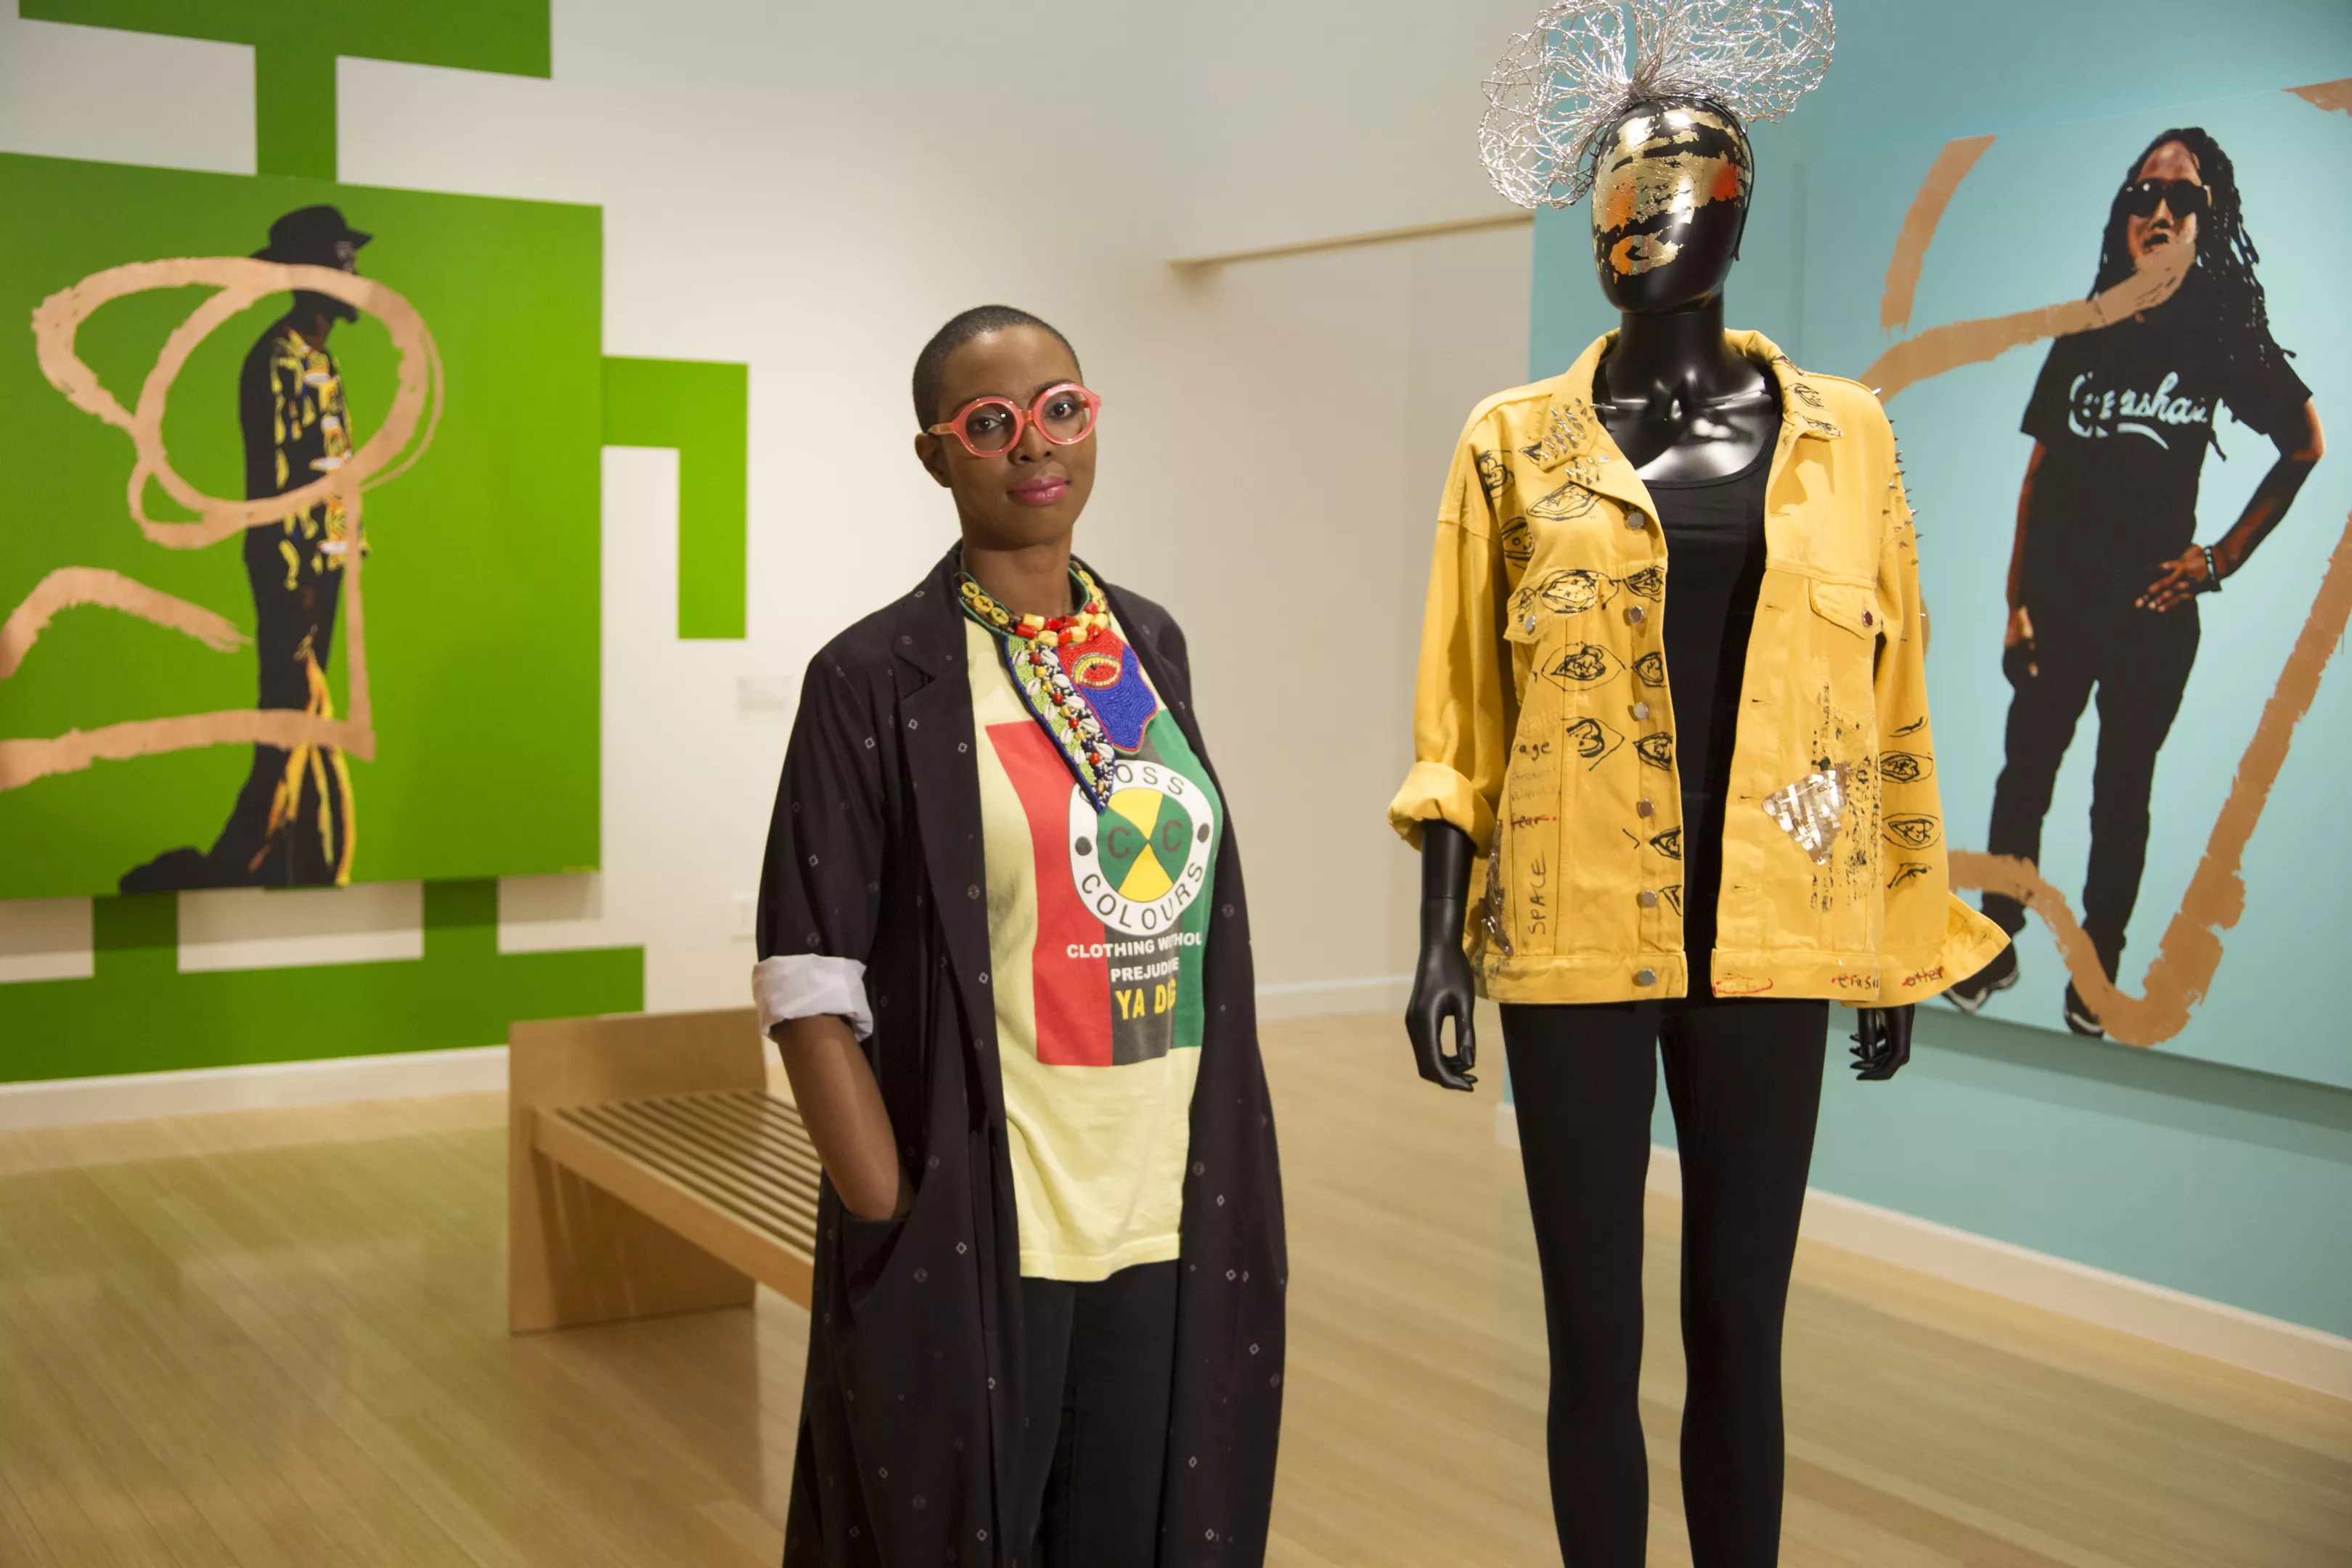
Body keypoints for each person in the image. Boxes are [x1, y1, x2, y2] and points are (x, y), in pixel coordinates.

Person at [1397, 93, 1999, 1567]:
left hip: (1779, 940)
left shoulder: (1847, 436)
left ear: (1736, 212)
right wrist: (1439, 943)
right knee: (1591, 1342)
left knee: (1741, 1330)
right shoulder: (1512, 444)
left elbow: (1895, 698)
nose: (1638, 226)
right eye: (1615, 196)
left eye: (1674, 192)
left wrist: (1900, 935)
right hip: (1571, 932)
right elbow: (1462, 715)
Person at [753, 306, 1284, 1567]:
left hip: (1169, 1192)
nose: (1034, 444)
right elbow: (808, 975)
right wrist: (887, 1207)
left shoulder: (1147, 642)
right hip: (983, 1207)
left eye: (1061, 409)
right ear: (936, 455)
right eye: (990, 423)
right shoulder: (872, 675)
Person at [1948, 127, 2325, 1034]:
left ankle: (2098, 969)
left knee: (2120, 793)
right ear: (2122, 216)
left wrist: (2219, 559)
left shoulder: (2222, 339)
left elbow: (2305, 445)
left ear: (2207, 218)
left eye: (2182, 197)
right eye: (2142, 195)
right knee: (2023, 777)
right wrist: (2015, 604)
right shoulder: (2088, 328)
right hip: (2057, 606)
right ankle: (1994, 942)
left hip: (2151, 617)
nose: (2159, 211)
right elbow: (2039, 475)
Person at [120, 204, 372, 891]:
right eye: (344, 264)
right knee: (293, 714)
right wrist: (300, 575)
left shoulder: (322, 359)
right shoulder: (277, 359)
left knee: (306, 714)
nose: (357, 278)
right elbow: (277, 482)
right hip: (294, 570)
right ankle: (246, 858)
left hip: (326, 564)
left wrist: (345, 549)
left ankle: (300, 859)